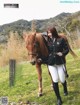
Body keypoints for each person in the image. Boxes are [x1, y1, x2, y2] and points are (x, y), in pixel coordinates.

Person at [46, 27, 69, 105]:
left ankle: (65, 88)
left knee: (62, 79)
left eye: (50, 32)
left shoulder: (61, 40)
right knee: (55, 80)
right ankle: (59, 98)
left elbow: (67, 49)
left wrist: (62, 53)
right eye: (48, 33)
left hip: (60, 63)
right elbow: (46, 53)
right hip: (51, 64)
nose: (49, 34)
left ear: (54, 32)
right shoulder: (47, 42)